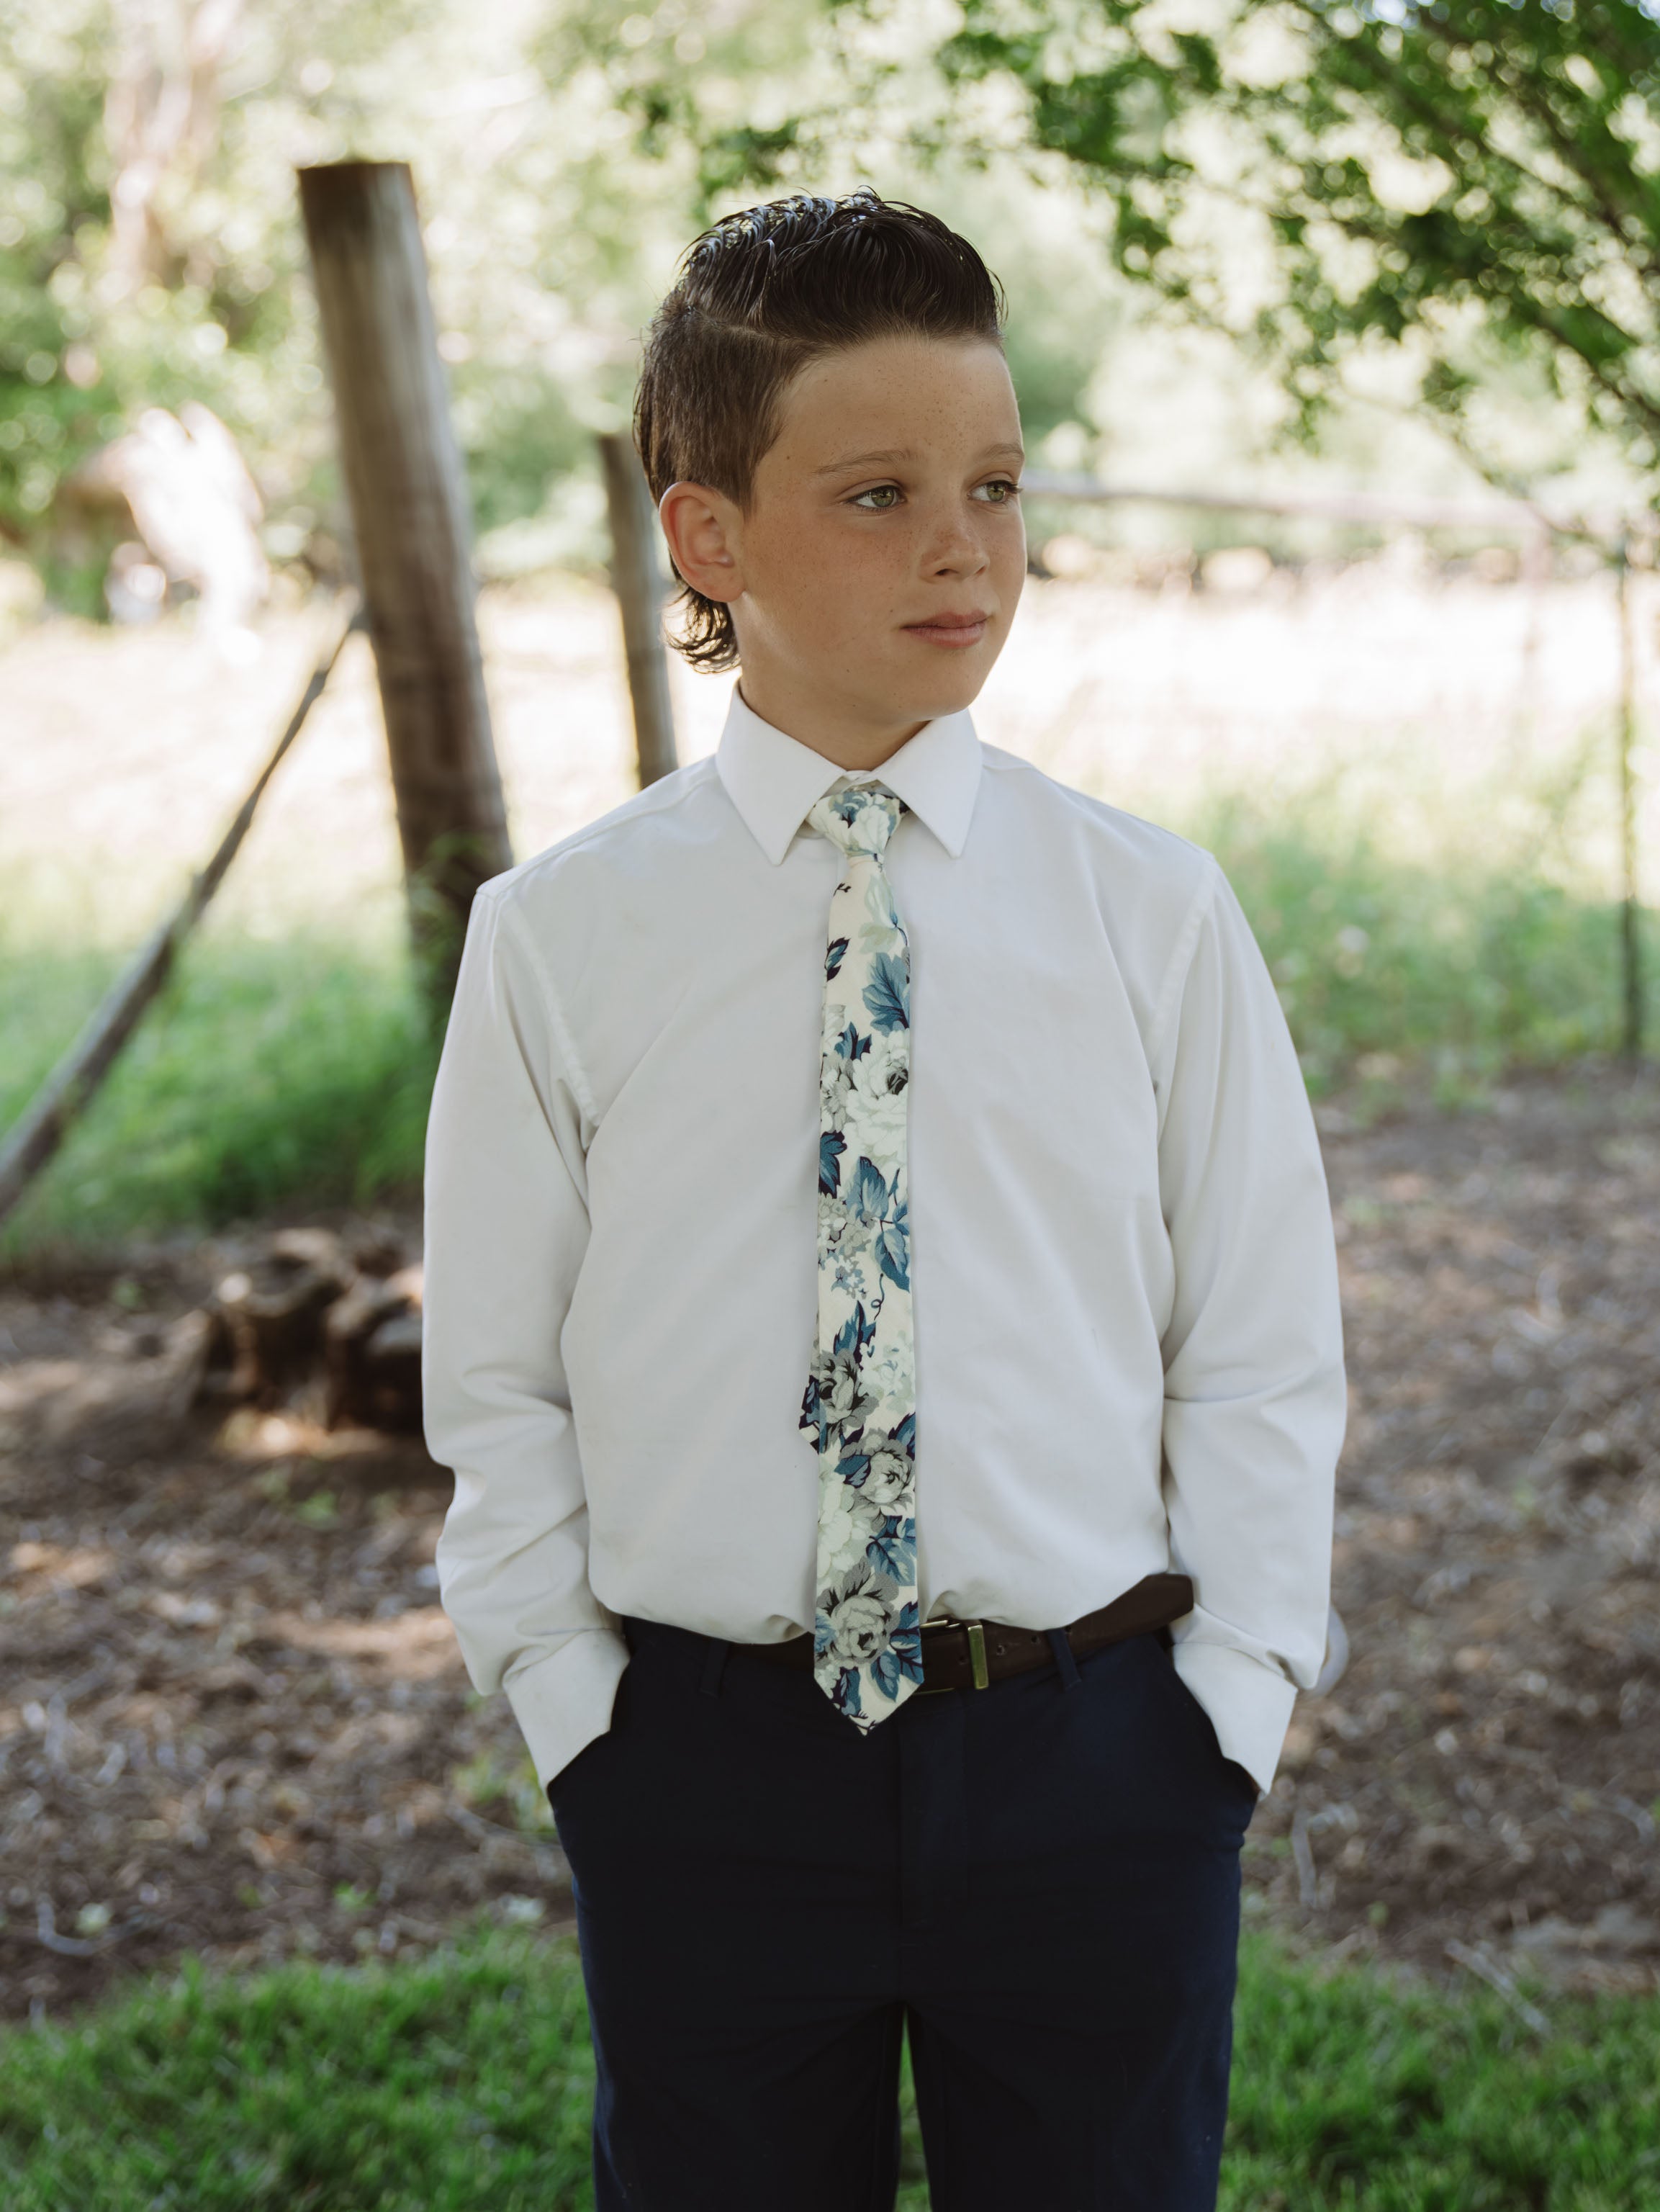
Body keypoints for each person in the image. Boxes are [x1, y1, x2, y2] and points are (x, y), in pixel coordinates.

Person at [420, 188, 1346, 2212]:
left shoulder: (1149, 912)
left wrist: (1230, 1709)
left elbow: (1259, 1342)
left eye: (995, 485)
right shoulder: (562, 938)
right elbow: (494, 1375)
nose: (963, 546)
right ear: (709, 539)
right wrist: (577, 1716)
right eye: (879, 495)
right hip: (705, 1772)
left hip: (1095, 1760)